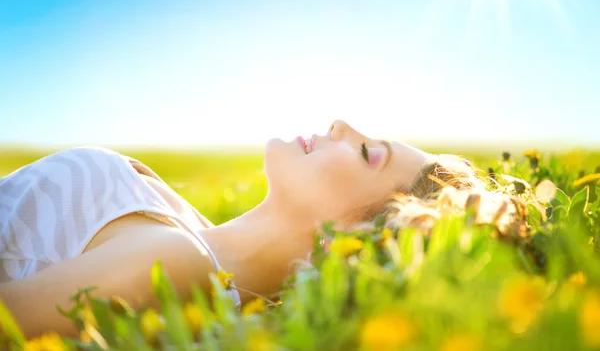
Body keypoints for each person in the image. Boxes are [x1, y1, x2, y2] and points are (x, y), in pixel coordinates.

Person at [0, 120, 503, 340]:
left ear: (348, 240)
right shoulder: (183, 229)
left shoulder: (177, 264)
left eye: (368, 153)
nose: (339, 126)